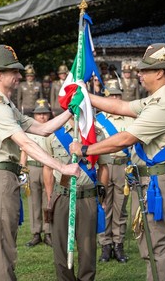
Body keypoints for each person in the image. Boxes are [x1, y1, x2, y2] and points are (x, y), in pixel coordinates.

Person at [70, 42, 165, 281]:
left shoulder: (163, 104)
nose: (139, 73)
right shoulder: (160, 97)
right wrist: (87, 97)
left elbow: (125, 138)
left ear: (159, 72)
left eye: (144, 70)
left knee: (155, 246)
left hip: (157, 183)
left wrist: (85, 149)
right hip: (159, 179)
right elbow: (122, 106)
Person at [0, 44, 80, 281]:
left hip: (0, 178)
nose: (19, 76)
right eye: (13, 72)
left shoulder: (7, 106)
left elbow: (42, 129)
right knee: (3, 248)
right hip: (0, 179)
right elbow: (27, 144)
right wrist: (62, 167)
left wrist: (70, 111)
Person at [43, 116, 110, 281]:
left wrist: (102, 198)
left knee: (87, 250)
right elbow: (48, 168)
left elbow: (103, 166)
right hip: (62, 196)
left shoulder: (97, 134)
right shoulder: (54, 132)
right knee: (60, 249)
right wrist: (50, 197)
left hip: (87, 197)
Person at [95, 80, 135, 263]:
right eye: (111, 95)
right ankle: (105, 245)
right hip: (103, 167)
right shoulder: (98, 119)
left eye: (118, 95)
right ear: (106, 98)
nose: (115, 98)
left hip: (121, 166)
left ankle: (118, 245)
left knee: (120, 209)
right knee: (103, 207)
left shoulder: (130, 119)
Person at [20, 99, 53, 248]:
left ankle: (48, 232)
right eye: (39, 114)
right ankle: (36, 233)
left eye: (45, 113)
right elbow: (24, 151)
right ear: (34, 116)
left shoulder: (52, 130)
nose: (42, 117)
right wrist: (22, 168)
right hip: (33, 168)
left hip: (48, 168)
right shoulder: (28, 130)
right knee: (33, 202)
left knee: (48, 201)